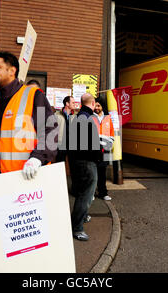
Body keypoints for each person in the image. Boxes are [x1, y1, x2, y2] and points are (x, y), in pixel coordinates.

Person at [0, 51, 57, 179]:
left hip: (25, 177)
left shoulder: (34, 95)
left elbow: (50, 131)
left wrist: (38, 158)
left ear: (12, 71)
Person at [68, 93, 102, 241]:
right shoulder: (88, 119)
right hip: (87, 163)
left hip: (78, 161)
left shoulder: (78, 117)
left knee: (82, 193)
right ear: (93, 103)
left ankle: (80, 219)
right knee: (85, 195)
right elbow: (91, 145)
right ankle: (77, 227)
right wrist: (100, 152)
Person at [94, 100, 114, 201]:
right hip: (94, 149)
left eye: (98, 105)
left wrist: (108, 146)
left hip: (105, 150)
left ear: (102, 106)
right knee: (93, 172)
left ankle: (103, 193)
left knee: (102, 172)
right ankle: (92, 193)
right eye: (95, 105)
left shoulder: (108, 118)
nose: (96, 108)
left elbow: (111, 134)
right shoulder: (91, 117)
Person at [55, 95, 76, 163]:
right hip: (60, 145)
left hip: (72, 146)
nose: (74, 104)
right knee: (59, 164)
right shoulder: (57, 115)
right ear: (67, 103)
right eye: (73, 102)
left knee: (73, 166)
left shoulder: (75, 116)